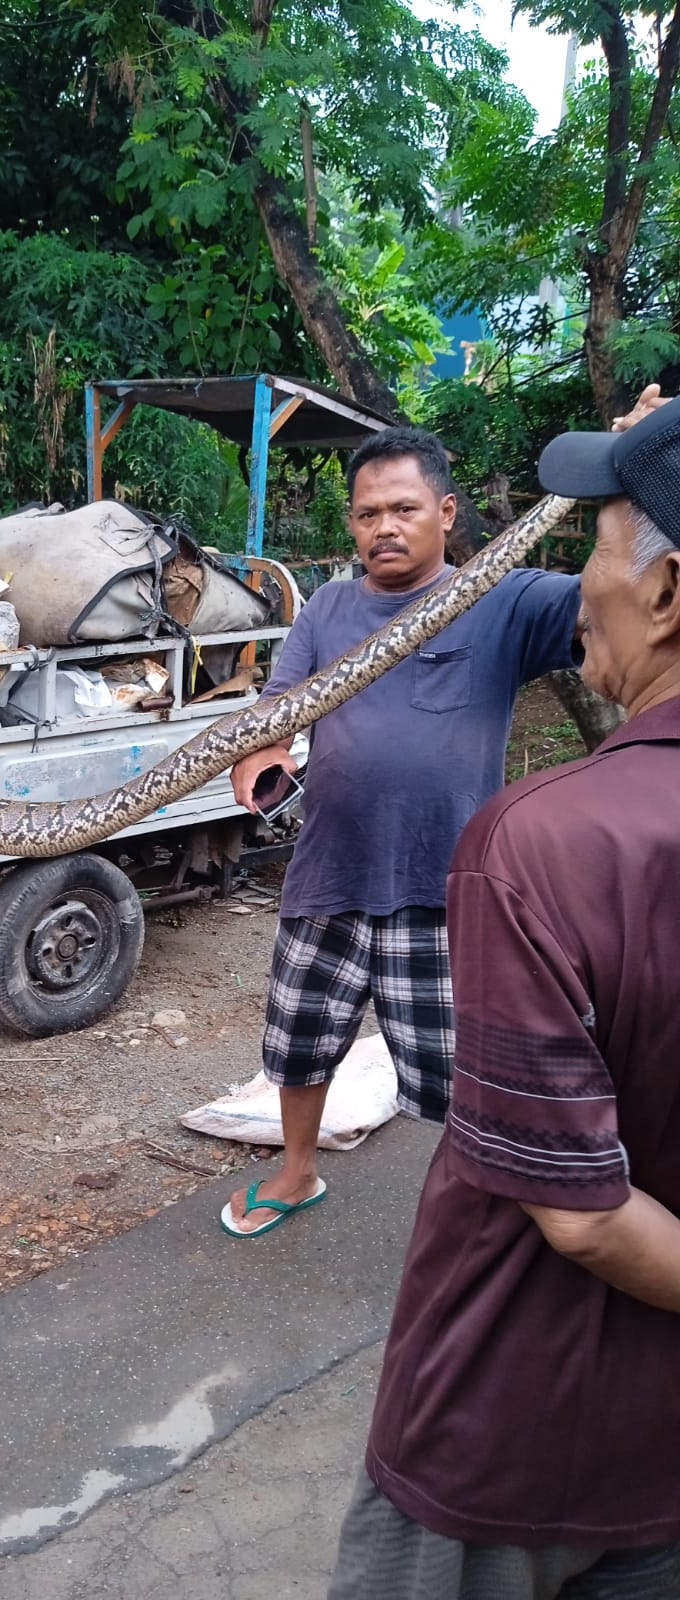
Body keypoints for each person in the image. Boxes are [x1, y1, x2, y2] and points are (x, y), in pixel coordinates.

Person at [327, 395, 680, 1599]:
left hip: (504, 1435)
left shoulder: (540, 844)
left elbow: (579, 1214)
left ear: (668, 593)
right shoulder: (325, 613)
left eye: (599, 549)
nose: (586, 586)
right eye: (365, 510)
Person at [221, 423, 582, 1237]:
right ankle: (297, 1169)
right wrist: (262, 752)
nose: (383, 527)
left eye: (403, 508)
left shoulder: (503, 598)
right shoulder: (329, 607)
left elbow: (611, 601)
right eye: (365, 513)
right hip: (331, 870)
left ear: (446, 512)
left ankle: (474, 1209)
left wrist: (632, 471)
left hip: (446, 882)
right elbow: (278, 707)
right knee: (300, 1041)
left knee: (457, 1067)